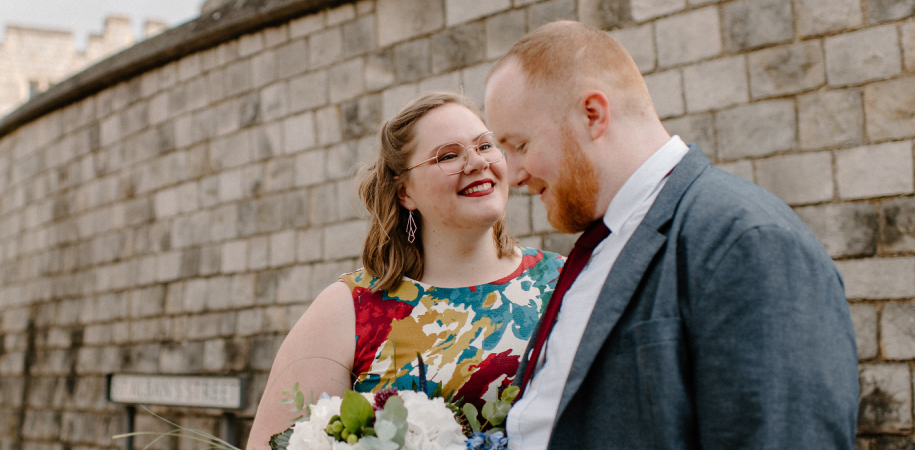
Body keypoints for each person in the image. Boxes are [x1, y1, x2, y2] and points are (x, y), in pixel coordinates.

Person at [483, 21, 859, 449]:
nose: (512, 175)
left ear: (593, 114)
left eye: (520, 145)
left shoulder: (748, 241)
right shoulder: (599, 245)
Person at [245, 92, 566, 449]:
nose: (476, 162)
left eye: (485, 145)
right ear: (404, 193)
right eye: (448, 156)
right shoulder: (350, 311)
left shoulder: (566, 282)